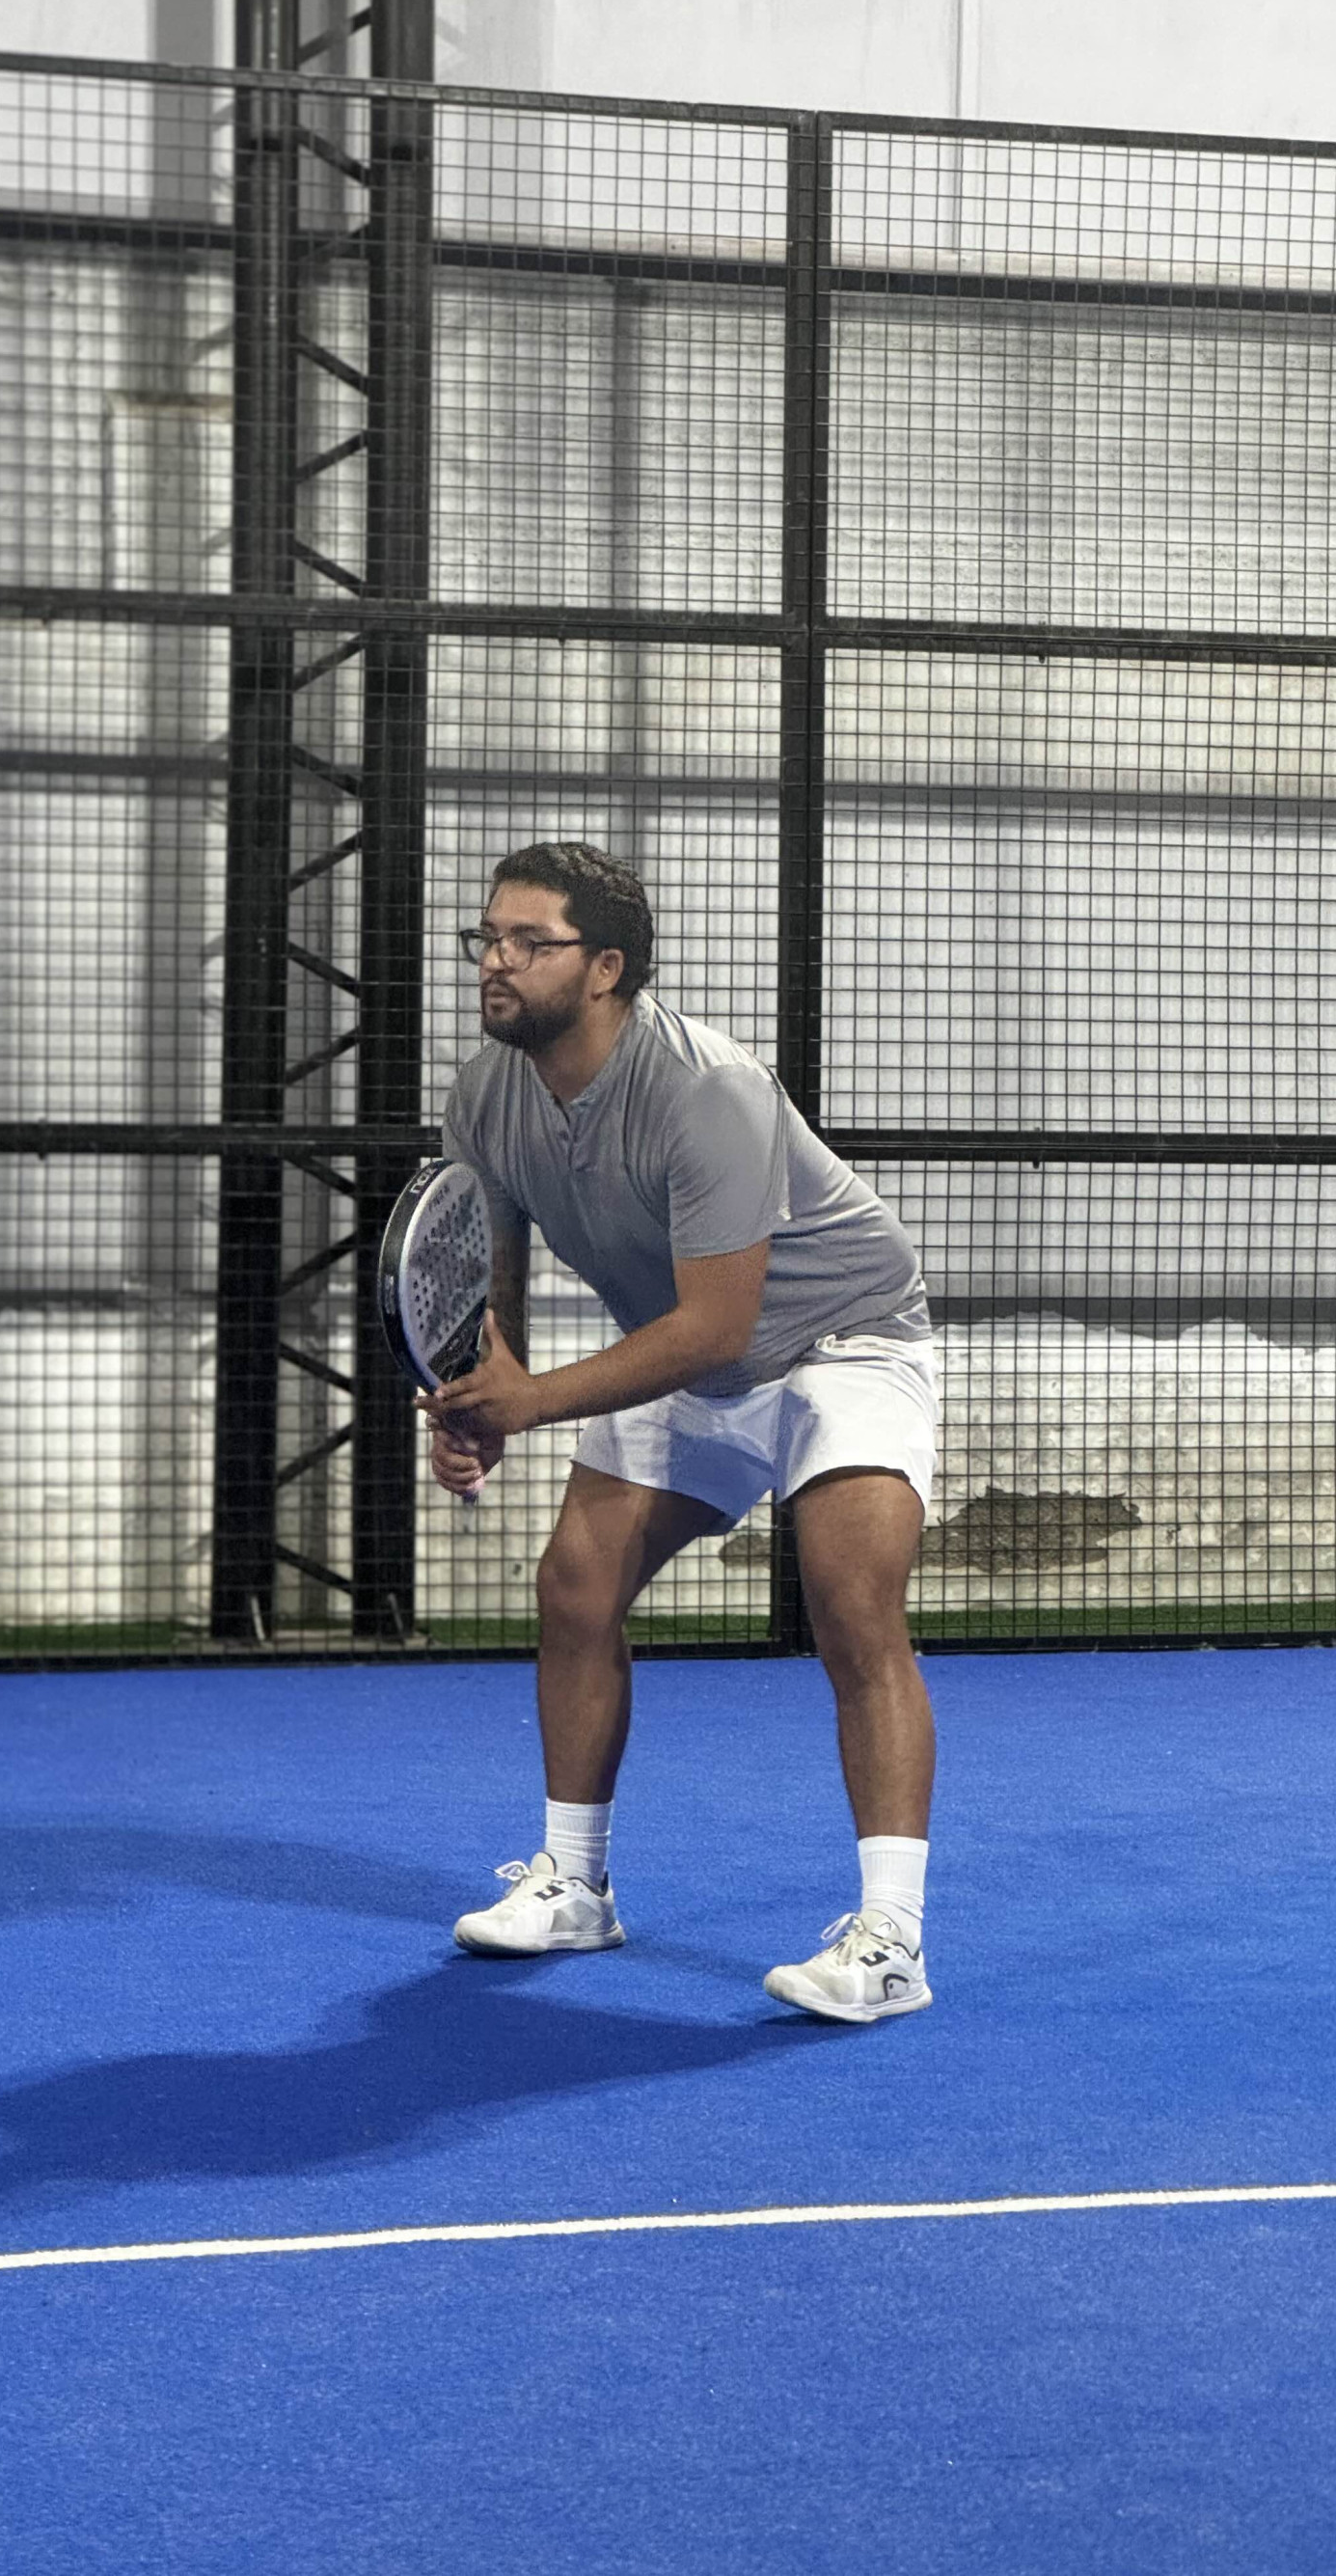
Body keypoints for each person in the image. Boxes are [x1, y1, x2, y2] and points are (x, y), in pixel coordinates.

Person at [421, 841, 940, 2022]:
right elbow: (489, 1281)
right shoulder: (486, 1094)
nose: (494, 961)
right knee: (574, 1584)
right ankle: (574, 1887)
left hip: (840, 1342)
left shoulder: (708, 1090)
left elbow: (717, 1327)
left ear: (604, 968)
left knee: (850, 1602)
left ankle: (891, 1945)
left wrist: (534, 1400)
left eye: (527, 942)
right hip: (684, 1345)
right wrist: (478, 1401)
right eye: (486, 938)